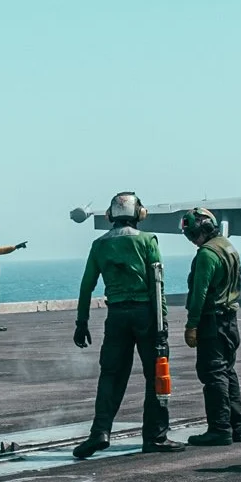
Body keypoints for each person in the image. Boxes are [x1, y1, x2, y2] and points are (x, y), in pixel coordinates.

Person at [73, 192, 182, 459]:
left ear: (110, 215)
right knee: (155, 374)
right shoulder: (147, 241)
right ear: (139, 214)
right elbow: (157, 284)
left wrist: (81, 322)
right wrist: (162, 323)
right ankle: (155, 436)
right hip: (146, 314)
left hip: (116, 316)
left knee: (110, 374)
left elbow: (86, 286)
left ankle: (100, 432)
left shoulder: (99, 245)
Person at [181, 207, 241, 446]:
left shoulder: (207, 255)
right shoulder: (228, 247)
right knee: (227, 371)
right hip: (230, 320)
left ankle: (220, 429)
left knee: (213, 374)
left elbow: (199, 294)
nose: (192, 239)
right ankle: (236, 426)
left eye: (193, 233)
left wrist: (192, 325)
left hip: (212, 322)